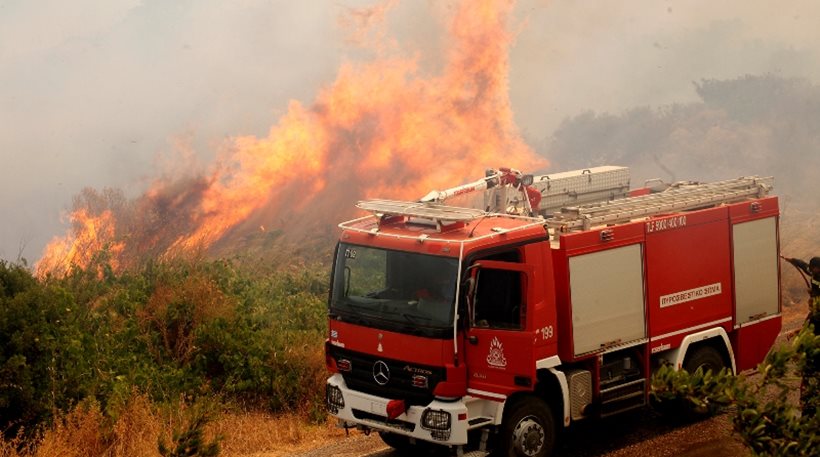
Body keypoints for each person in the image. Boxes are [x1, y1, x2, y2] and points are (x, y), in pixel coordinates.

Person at [785, 256, 820, 419]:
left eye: (815, 269)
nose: (812, 271)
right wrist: (791, 260)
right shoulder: (811, 272)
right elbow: (803, 265)